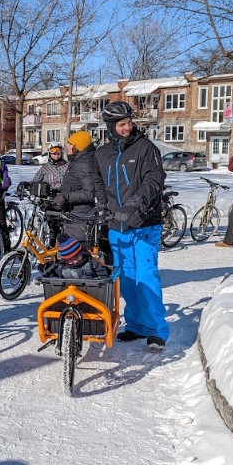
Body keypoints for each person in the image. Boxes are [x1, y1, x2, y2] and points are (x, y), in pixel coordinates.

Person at [94, 101, 168, 350]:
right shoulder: (102, 154)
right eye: (121, 124)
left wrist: (135, 204)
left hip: (144, 222)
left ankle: (157, 330)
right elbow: (98, 185)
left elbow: (154, 180)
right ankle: (136, 325)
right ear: (110, 126)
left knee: (146, 277)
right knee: (126, 279)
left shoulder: (145, 148)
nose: (127, 128)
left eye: (129, 123)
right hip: (117, 225)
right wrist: (101, 207)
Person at [52, 131, 110, 261]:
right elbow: (75, 185)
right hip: (74, 214)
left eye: (70, 144)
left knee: (74, 256)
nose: (67, 147)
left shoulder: (84, 164)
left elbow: (89, 193)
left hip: (81, 217)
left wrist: (66, 196)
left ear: (78, 147)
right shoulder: (77, 162)